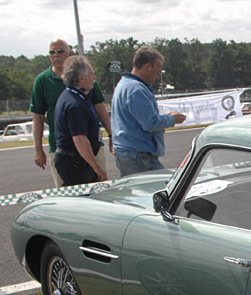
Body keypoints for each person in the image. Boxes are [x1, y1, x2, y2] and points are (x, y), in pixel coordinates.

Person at [30, 38, 112, 186]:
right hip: (67, 150)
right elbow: (38, 117)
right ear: (80, 78)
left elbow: (100, 108)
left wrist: (111, 134)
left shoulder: (85, 85)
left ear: (69, 53)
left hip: (90, 147)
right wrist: (38, 149)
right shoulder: (46, 83)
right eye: (52, 51)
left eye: (60, 51)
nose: (56, 55)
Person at [111, 45, 186, 176]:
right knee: (164, 190)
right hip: (138, 157)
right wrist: (173, 119)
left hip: (130, 155)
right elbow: (150, 123)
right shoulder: (136, 90)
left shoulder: (124, 84)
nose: (157, 77)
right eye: (158, 72)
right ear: (147, 67)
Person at [52, 56, 108, 186]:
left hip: (76, 160)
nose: (94, 78)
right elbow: (79, 139)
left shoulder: (74, 97)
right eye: (92, 74)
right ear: (81, 78)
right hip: (75, 162)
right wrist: (96, 166)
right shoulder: (75, 104)